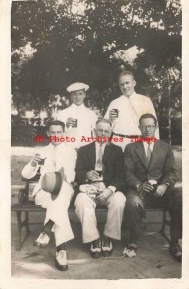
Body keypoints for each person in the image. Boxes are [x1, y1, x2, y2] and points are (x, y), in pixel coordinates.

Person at [123, 113, 182, 262]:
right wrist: (139, 185)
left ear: (155, 127)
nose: (147, 129)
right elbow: (127, 172)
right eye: (144, 126)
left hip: (159, 192)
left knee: (180, 196)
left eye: (150, 126)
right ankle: (133, 241)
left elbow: (172, 172)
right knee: (131, 202)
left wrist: (165, 184)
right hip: (139, 191)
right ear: (139, 128)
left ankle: (175, 242)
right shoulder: (130, 148)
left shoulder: (165, 147)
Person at [21, 120, 77, 271]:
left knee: (60, 194)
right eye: (53, 132)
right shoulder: (42, 151)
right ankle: (61, 250)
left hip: (63, 190)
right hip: (44, 192)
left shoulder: (70, 151)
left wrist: (62, 176)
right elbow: (25, 174)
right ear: (48, 133)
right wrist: (33, 164)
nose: (56, 135)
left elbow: (71, 176)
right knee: (58, 203)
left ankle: (48, 232)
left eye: (59, 132)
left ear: (63, 134)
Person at [74, 118, 126, 258]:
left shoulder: (116, 150)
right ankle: (94, 239)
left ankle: (108, 237)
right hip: (89, 188)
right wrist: (86, 174)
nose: (102, 133)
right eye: (100, 130)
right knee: (81, 202)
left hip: (108, 188)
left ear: (110, 133)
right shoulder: (84, 150)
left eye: (106, 131)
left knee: (119, 200)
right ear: (94, 131)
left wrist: (110, 190)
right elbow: (77, 173)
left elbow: (121, 175)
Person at [104, 71, 159, 150]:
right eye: (122, 84)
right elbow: (106, 126)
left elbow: (154, 125)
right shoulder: (114, 103)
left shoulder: (145, 101)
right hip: (118, 143)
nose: (125, 86)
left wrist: (155, 146)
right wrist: (110, 120)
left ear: (134, 83)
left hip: (139, 143)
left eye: (127, 83)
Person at [57, 82, 98, 149]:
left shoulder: (91, 114)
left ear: (84, 95)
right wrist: (66, 125)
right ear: (71, 96)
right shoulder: (63, 113)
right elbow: (57, 133)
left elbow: (95, 134)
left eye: (80, 94)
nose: (77, 97)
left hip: (86, 150)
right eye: (74, 94)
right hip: (68, 149)